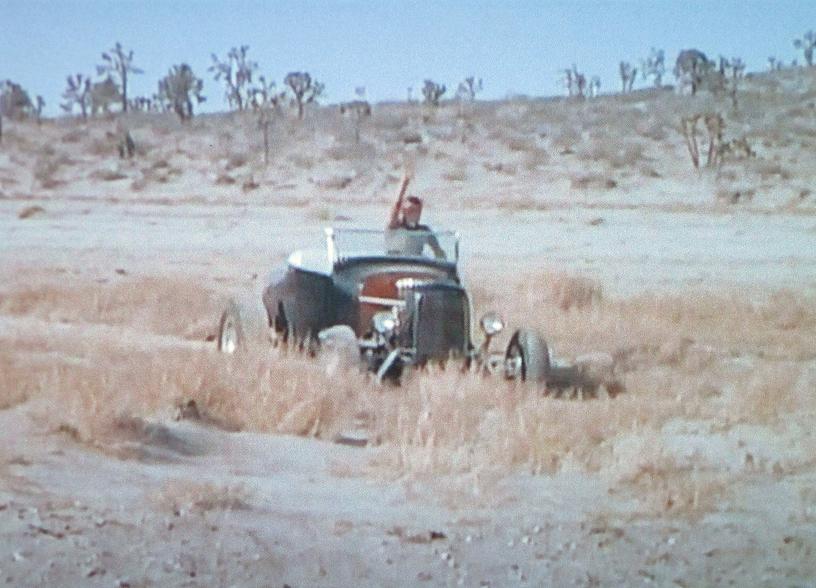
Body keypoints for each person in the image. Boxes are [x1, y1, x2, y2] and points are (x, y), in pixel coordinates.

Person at [385, 174, 445, 259]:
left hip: (416, 266)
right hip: (394, 264)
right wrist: (404, 182)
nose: (414, 213)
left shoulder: (424, 231)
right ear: (404, 211)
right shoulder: (395, 226)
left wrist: (443, 263)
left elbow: (438, 251)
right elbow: (396, 206)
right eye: (411, 210)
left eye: (417, 211)